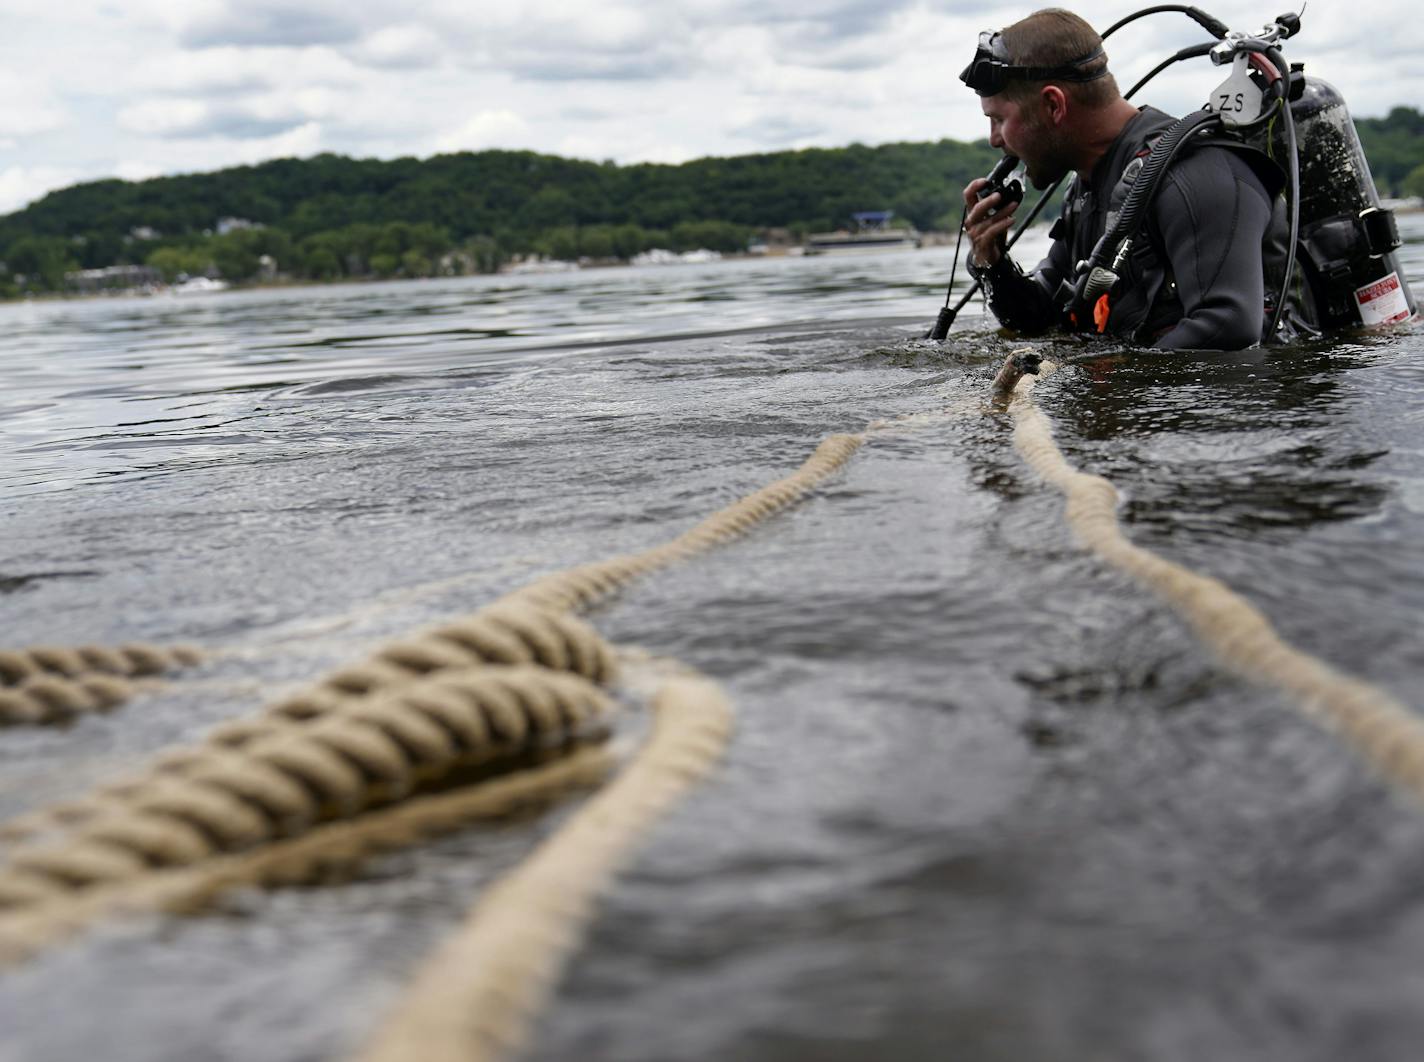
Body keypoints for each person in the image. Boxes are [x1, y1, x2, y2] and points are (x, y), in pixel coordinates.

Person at [960, 8, 1283, 350]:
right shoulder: (1090, 189)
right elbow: (1044, 319)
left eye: (998, 119)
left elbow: (1228, 328)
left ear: (1054, 105)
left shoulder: (1196, 177)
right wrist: (992, 264)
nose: (995, 139)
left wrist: (1104, 386)